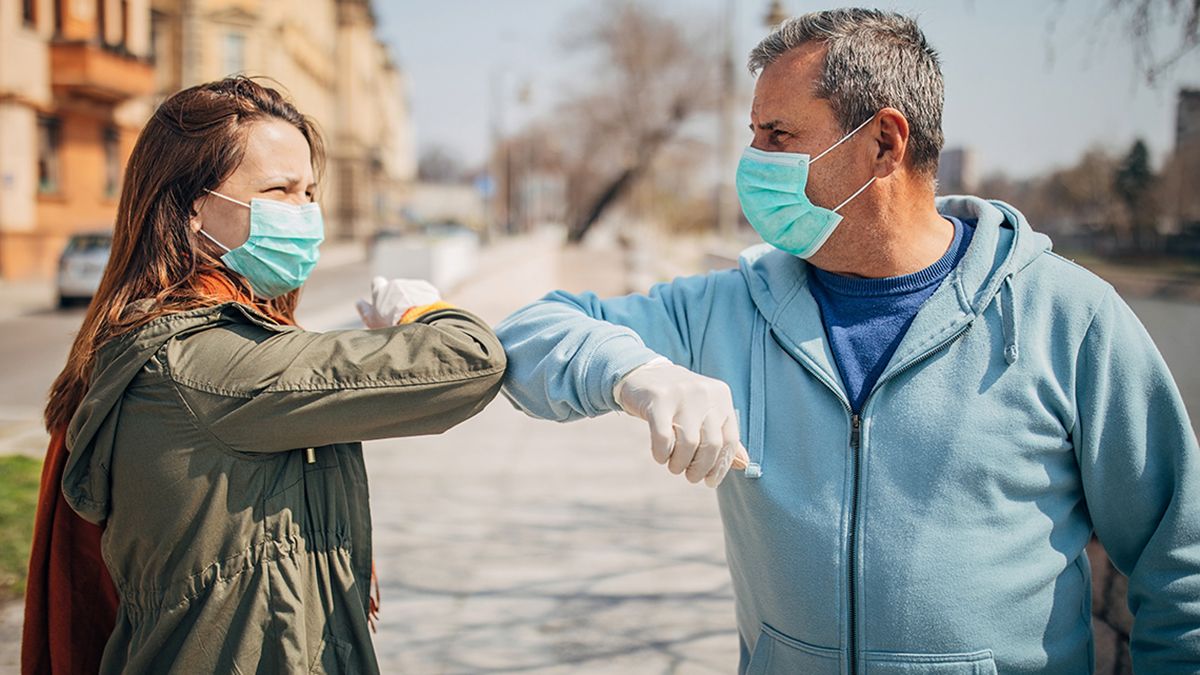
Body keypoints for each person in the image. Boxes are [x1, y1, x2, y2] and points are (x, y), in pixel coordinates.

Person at [496, 9, 1200, 673]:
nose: (752, 159)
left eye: (778, 135)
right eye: (753, 134)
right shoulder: (729, 306)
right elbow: (527, 336)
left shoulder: (1068, 317)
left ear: (884, 143)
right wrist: (637, 372)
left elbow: (1181, 566)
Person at [23, 77, 506, 674]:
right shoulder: (206, 362)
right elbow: (470, 360)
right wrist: (419, 311)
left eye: (309, 192)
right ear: (191, 206)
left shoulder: (170, 337)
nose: (305, 214)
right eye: (278, 190)